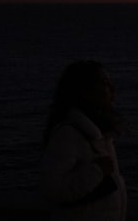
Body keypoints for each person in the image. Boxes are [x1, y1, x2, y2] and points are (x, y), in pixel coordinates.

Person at [40, 60, 127, 221]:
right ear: (84, 91)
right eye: (104, 83)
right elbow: (52, 190)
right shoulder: (69, 134)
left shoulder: (100, 135)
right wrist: (97, 171)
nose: (111, 90)